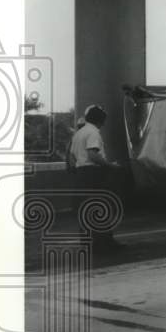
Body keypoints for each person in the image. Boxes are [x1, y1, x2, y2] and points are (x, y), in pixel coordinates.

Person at [67, 104, 121, 248]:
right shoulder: (93, 132)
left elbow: (72, 156)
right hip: (93, 174)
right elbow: (93, 154)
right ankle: (105, 243)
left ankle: (87, 243)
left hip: (81, 174)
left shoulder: (79, 133)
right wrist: (110, 165)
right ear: (100, 120)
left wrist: (78, 170)